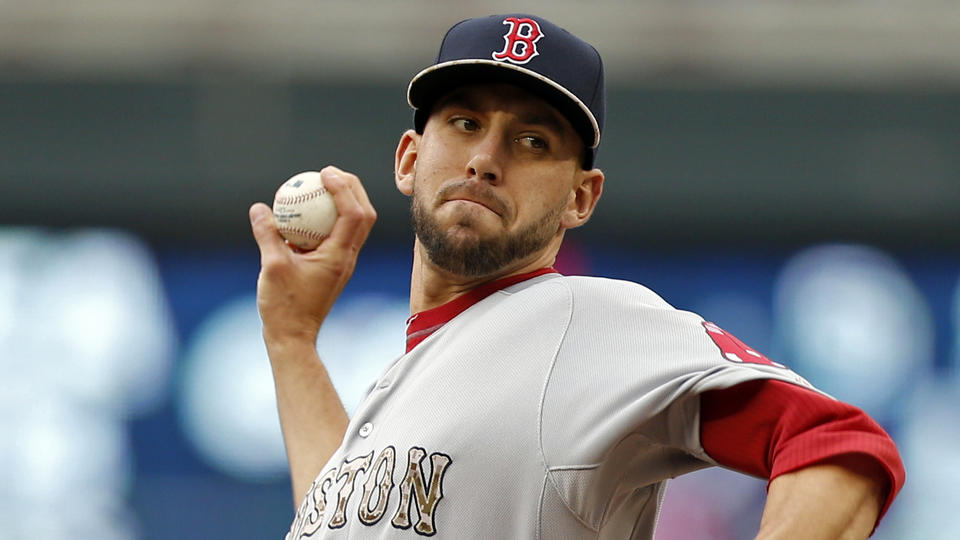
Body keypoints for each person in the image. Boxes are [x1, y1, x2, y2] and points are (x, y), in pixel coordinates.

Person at [249, 13, 905, 539]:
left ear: (580, 198)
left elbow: (837, 446)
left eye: (532, 141)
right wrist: (292, 340)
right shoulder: (406, 379)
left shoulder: (585, 324)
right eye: (466, 122)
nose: (484, 158)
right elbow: (344, 512)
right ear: (409, 158)